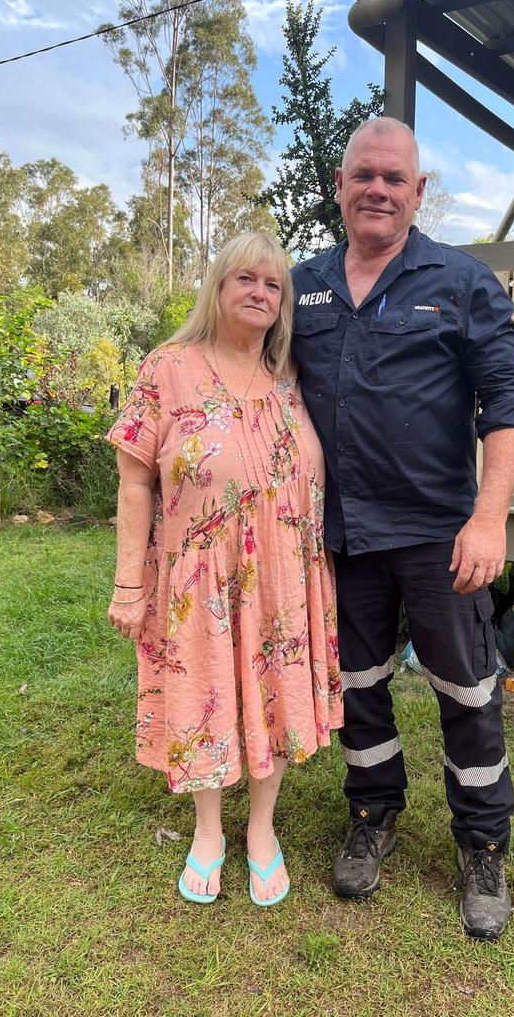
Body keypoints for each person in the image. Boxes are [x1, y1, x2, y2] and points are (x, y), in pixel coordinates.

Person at [291, 118, 514, 940]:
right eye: (365, 175)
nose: (379, 190)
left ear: (419, 192)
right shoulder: (304, 286)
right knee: (357, 687)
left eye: (396, 179)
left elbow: (505, 404)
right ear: (340, 183)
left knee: (467, 692)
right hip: (342, 536)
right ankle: (373, 813)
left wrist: (489, 518)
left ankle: (483, 842)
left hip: (438, 536)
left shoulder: (461, 281)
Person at [106, 232, 342, 907]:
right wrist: (130, 584)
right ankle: (208, 832)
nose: (259, 293)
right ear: (217, 286)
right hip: (196, 577)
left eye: (273, 285)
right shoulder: (168, 367)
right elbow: (134, 487)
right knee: (201, 698)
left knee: (275, 696)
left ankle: (262, 831)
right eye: (245, 278)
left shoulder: (292, 377)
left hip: (283, 576)